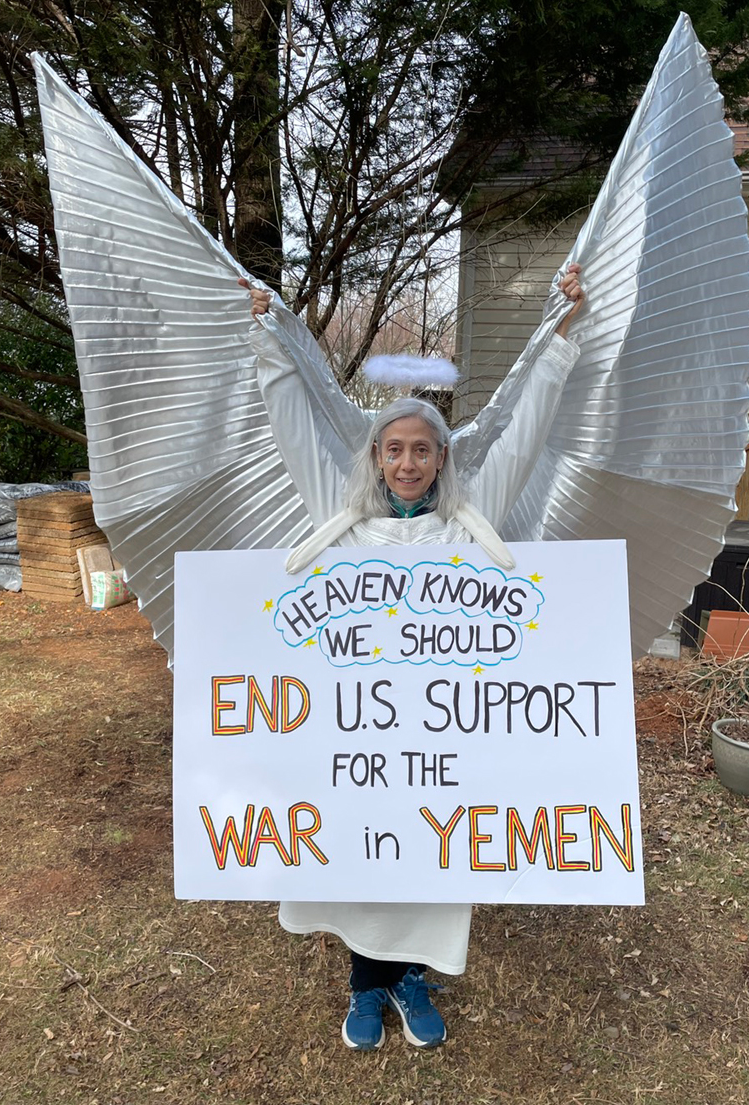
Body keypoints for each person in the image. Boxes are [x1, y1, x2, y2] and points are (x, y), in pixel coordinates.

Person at [241, 266, 585, 1051]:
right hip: (359, 739)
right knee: (363, 855)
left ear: (440, 458)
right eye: (394, 449)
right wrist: (266, 338)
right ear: (376, 457)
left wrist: (561, 334)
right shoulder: (342, 523)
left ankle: (410, 977)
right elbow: (294, 430)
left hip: (441, 743)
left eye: (421, 450)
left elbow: (525, 435)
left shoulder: (468, 527)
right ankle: (366, 984)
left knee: (430, 855)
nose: (407, 463)